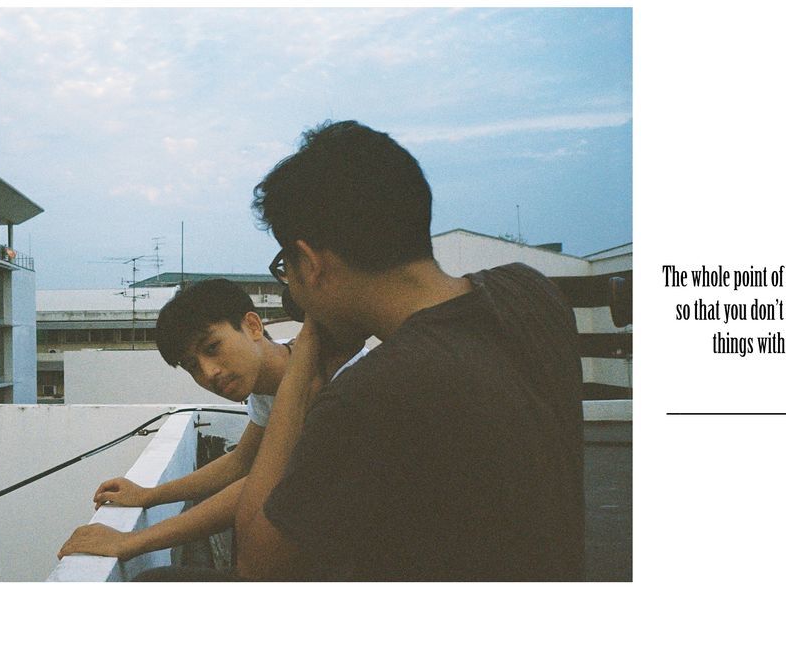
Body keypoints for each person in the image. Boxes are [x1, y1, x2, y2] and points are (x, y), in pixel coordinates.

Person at [234, 120, 585, 581]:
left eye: (287, 266)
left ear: (311, 262)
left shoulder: (376, 393)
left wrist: (301, 367)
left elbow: (255, 565)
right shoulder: (530, 293)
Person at [57, 278, 364, 563]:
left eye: (212, 348)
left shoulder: (334, 376)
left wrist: (133, 541)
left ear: (253, 326)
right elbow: (240, 462)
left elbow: (261, 482)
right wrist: (149, 495)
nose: (209, 372)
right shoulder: (267, 387)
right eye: (193, 366)